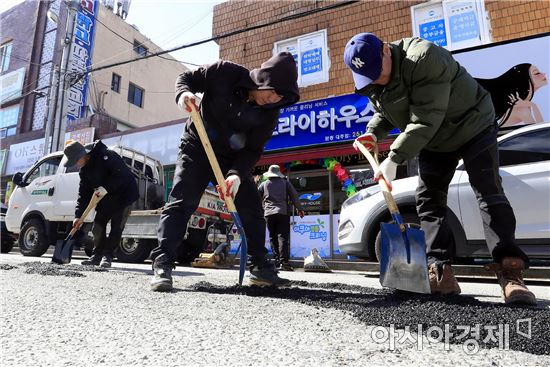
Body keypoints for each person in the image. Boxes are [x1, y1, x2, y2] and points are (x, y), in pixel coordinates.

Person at [343, 33, 537, 305]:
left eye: (377, 72)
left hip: (473, 125)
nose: (375, 80)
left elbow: (425, 118)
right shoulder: (373, 80)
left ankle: (510, 272)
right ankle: (440, 271)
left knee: (487, 190)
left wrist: (394, 159)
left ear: (387, 50)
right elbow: (387, 110)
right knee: (429, 200)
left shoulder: (424, 57)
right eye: (368, 76)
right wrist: (373, 133)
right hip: (435, 140)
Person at [150, 52, 300, 291]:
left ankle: (260, 268)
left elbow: (252, 149)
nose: (274, 98)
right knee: (182, 202)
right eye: (272, 90)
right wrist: (184, 95)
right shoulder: (223, 72)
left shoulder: (270, 113)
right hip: (196, 147)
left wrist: (236, 175)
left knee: (251, 208)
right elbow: (186, 78)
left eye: (280, 96)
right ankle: (163, 264)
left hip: (230, 160)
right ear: (262, 80)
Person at [64, 140, 138, 268]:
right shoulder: (84, 171)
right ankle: (96, 256)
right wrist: (78, 215)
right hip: (105, 197)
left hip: (124, 196)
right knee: (97, 227)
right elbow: (83, 195)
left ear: (82, 156)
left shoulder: (106, 155)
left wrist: (106, 187)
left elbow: (123, 176)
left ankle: (107, 257)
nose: (75, 165)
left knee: (116, 227)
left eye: (76, 161)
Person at [258, 165, 305, 271]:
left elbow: (256, 198)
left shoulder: (264, 184)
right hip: (282, 213)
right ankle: (284, 262)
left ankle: (277, 261)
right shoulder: (285, 183)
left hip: (269, 214)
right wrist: (300, 209)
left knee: (272, 237)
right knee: (283, 237)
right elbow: (294, 196)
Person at [475, 63, 547, 131]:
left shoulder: (522, 105)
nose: (544, 74)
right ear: (525, 80)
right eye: (537, 73)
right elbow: (539, 132)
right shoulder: (521, 109)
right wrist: (533, 105)